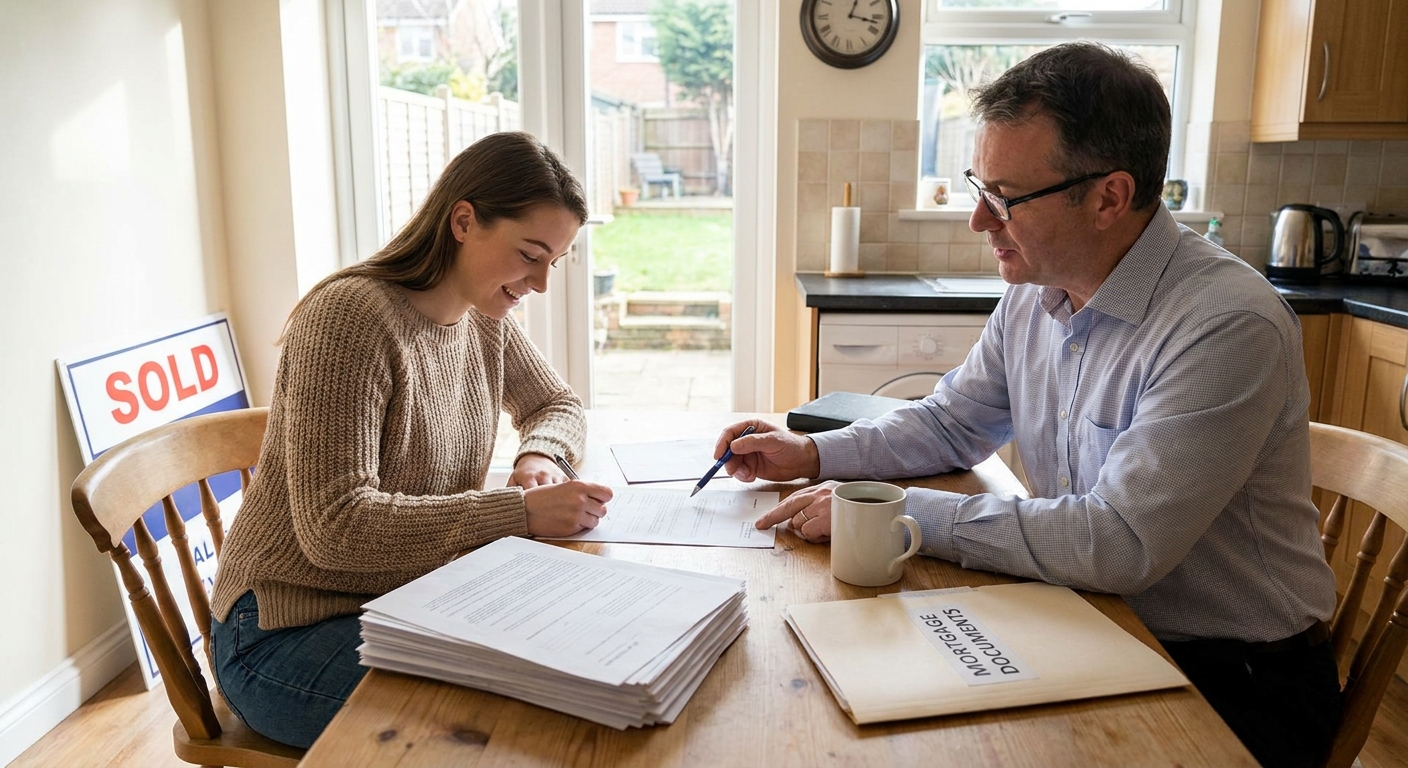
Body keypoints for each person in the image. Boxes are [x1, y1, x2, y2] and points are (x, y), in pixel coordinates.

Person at [719, 44, 1341, 768]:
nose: (980, 222)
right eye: (978, 187)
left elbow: (1119, 544)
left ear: (1109, 196)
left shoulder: (1225, 322)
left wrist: (895, 513)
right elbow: (954, 422)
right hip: (1089, 619)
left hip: (1231, 676)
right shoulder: (1034, 292)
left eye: (1005, 198)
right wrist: (817, 453)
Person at [208, 131, 613, 749]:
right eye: (530, 254)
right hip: (283, 629)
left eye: (553, 262)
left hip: (406, 598)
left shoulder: (483, 319)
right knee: (524, 719)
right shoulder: (348, 319)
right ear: (464, 221)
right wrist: (517, 514)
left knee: (574, 670)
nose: (540, 283)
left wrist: (542, 453)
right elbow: (335, 526)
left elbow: (556, 403)